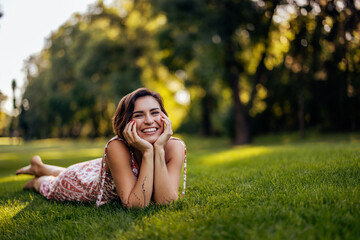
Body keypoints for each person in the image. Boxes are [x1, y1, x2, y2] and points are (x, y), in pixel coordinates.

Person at [15, 88, 187, 208]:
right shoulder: (116, 146)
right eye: (138, 115)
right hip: (80, 182)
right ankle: (38, 180)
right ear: (126, 122)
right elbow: (137, 205)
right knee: (51, 185)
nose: (149, 120)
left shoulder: (174, 147)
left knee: (84, 171)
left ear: (164, 118)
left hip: (98, 170)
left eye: (155, 112)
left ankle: (40, 167)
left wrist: (159, 149)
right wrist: (148, 152)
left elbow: (166, 201)